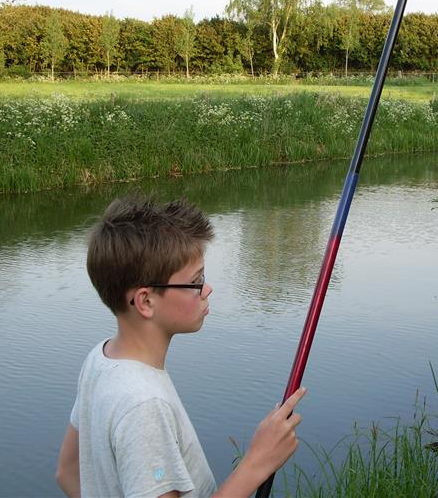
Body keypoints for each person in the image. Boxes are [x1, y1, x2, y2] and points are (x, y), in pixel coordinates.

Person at [55, 195, 306, 497]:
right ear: (146, 301)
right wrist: (256, 463)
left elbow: (68, 472)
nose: (207, 289)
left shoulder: (100, 359)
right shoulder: (144, 406)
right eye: (196, 281)